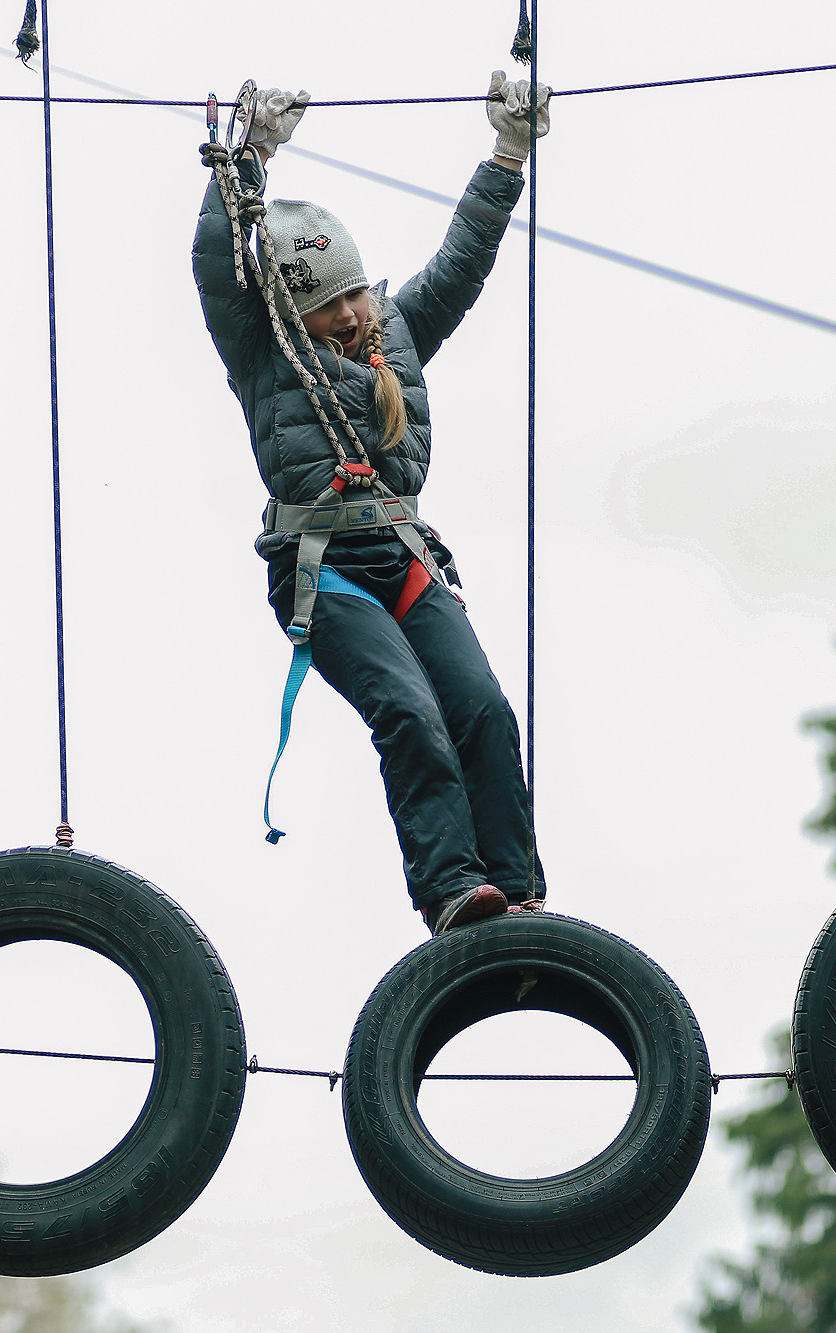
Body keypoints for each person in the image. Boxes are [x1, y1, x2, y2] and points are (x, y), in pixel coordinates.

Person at [193, 74, 551, 935]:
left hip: (403, 558)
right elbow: (215, 263)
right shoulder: (264, 354)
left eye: (354, 294)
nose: (351, 316)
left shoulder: (395, 332)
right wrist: (246, 161)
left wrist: (507, 154)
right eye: (326, 307)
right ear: (290, 310)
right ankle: (452, 892)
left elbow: (462, 259)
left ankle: (518, 889)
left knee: (483, 709)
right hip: (324, 570)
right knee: (410, 713)